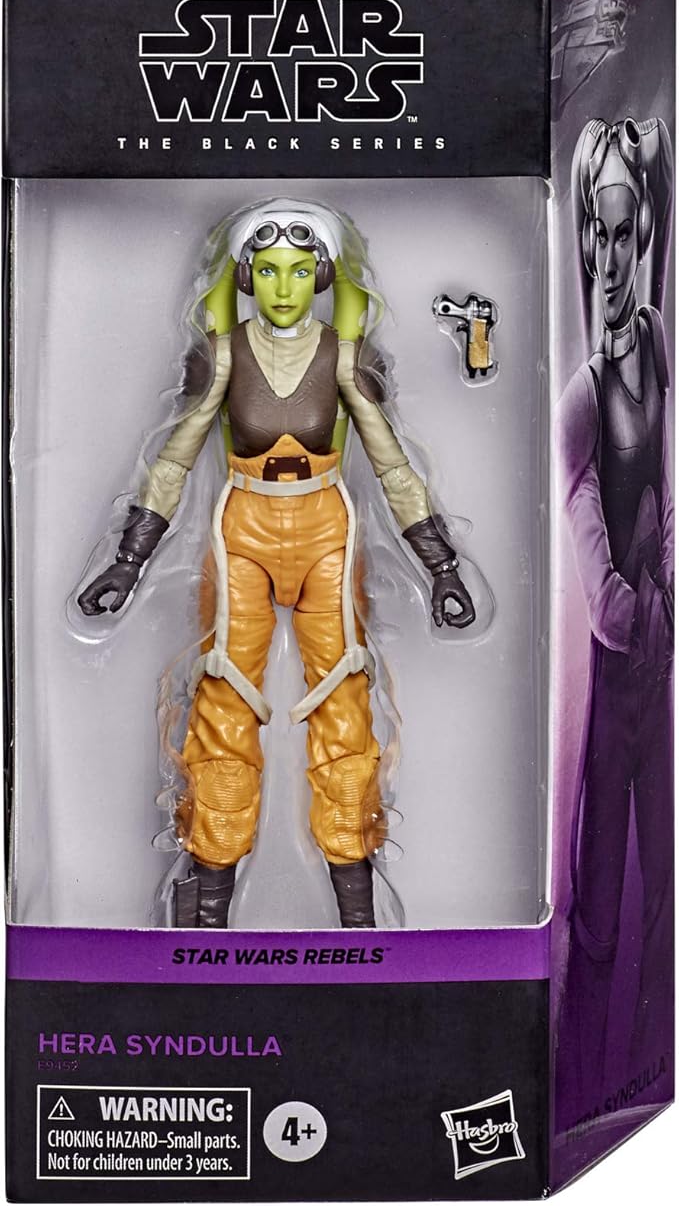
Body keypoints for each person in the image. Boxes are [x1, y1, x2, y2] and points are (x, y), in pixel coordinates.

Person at [79, 201, 475, 930]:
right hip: (243, 530)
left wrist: (440, 564)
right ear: (246, 277)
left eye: (298, 271)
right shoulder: (223, 358)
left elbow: (391, 462)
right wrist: (128, 560)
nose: (284, 288)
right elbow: (175, 455)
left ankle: (358, 918)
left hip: (327, 530)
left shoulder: (345, 358)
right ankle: (208, 909)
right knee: (224, 706)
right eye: (267, 271)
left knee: (344, 703)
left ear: (321, 276)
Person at [555, 118, 674, 1118]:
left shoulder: (659, 350)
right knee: (595, 908)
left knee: (662, 895)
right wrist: (631, 606)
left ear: (646, 238)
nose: (606, 258)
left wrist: (667, 582)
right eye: (594, 235)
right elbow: (585, 520)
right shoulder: (582, 394)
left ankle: (643, 1077)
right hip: (608, 686)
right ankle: (577, 1085)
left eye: (622, 233)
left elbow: (664, 487)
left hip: (659, 674)